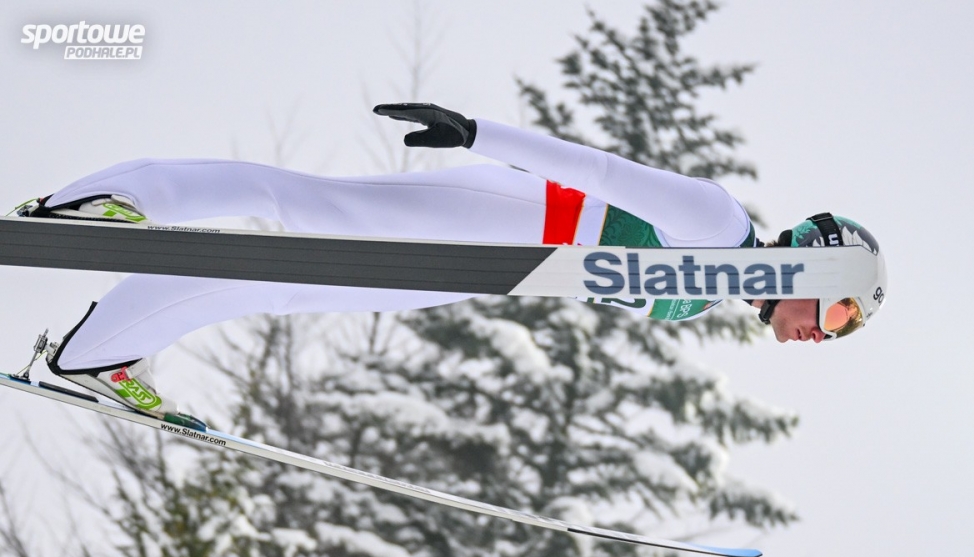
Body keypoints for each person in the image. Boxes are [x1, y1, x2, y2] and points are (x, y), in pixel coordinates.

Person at [11, 103, 886, 418]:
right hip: (510, 217)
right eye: (842, 314)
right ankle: (106, 200)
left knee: (284, 283)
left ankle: (101, 350)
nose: (827, 334)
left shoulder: (707, 296)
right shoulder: (720, 222)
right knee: (301, 204)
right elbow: (601, 173)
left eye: (843, 330)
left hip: (495, 268)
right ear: (824, 265)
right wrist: (477, 133)